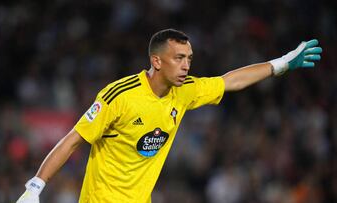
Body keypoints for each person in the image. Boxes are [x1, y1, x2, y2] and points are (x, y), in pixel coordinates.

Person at [16, 29, 322, 203]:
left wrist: (281, 63)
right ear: (157, 61)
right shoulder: (119, 96)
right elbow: (73, 139)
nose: (187, 65)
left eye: (189, 58)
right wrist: (35, 186)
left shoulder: (185, 91)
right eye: (179, 58)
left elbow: (230, 80)